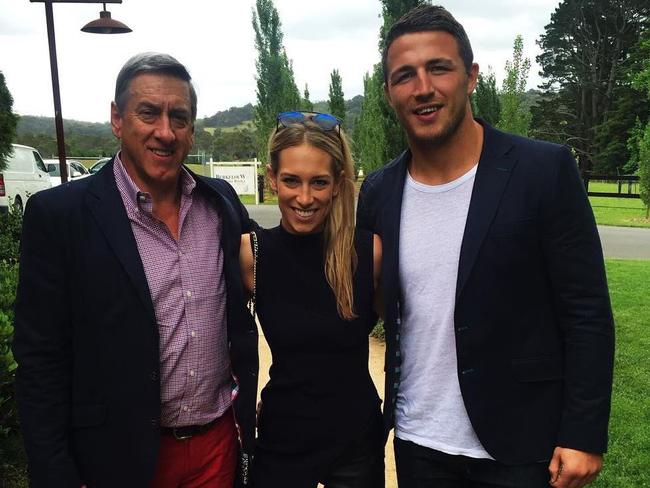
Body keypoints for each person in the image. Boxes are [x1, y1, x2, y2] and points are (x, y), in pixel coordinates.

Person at [356, 5, 615, 488]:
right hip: (418, 443)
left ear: (471, 76)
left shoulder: (543, 171)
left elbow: (586, 311)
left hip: (521, 446)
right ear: (389, 92)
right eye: (405, 75)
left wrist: (583, 432)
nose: (423, 87)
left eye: (439, 67)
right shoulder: (379, 192)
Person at [13, 52, 258, 488]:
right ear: (116, 118)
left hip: (216, 450)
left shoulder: (219, 204)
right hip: (118, 458)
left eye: (179, 117)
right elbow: (40, 361)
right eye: (149, 113)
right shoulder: (61, 216)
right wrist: (55, 472)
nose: (165, 131)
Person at [239, 111, 384, 488]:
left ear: (337, 183)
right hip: (281, 437)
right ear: (272, 179)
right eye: (291, 181)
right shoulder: (252, 253)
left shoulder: (368, 252)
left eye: (318, 182)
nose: (305, 198)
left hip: (355, 442)